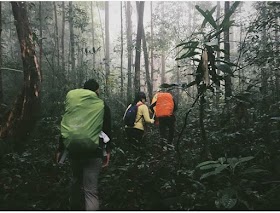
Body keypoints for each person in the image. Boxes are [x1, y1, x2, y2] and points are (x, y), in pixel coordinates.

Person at [56, 79, 111, 210]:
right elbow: (107, 130)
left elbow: (66, 127)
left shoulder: (74, 105)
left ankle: (73, 208)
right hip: (94, 152)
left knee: (75, 181)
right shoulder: (102, 105)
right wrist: (108, 151)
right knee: (90, 191)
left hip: (74, 151)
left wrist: (60, 149)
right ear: (96, 90)